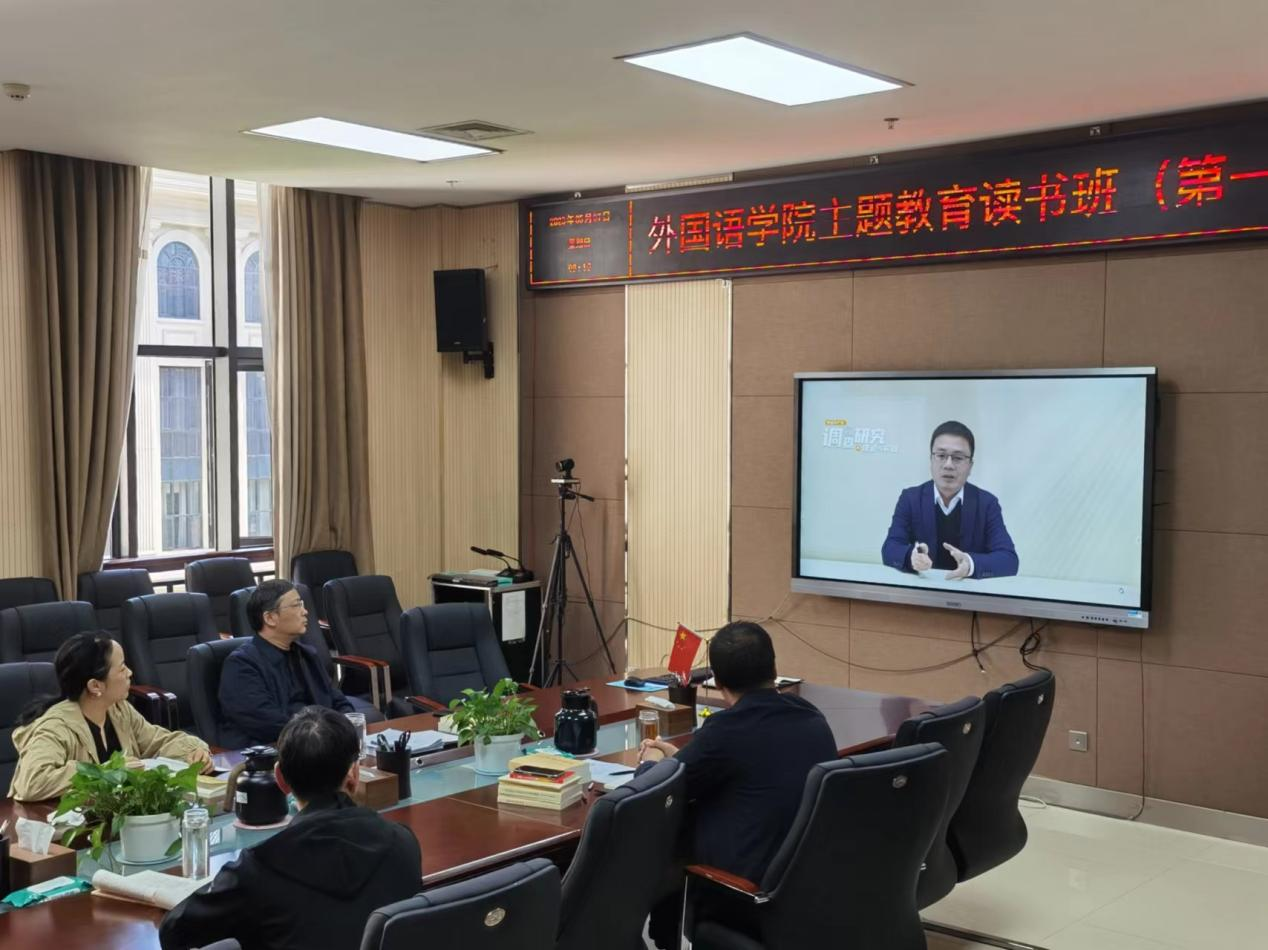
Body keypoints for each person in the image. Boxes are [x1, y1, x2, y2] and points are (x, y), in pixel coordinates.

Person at [638, 621, 837, 947]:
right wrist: (679, 759)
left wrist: (650, 763)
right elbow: (737, 764)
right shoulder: (811, 717)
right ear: (774, 669)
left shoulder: (726, 731)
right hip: (807, 894)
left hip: (745, 898)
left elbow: (653, 794)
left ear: (717, 681)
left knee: (670, 840)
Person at [159, 706, 422, 950]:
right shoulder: (403, 843)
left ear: (280, 779)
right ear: (354, 774)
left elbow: (173, 931)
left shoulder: (257, 869)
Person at [9, 632, 212, 801]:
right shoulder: (55, 726)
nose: (130, 672)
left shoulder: (118, 710)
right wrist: (105, 772)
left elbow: (158, 741)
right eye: (122, 668)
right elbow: (32, 781)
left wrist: (194, 751)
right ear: (95, 686)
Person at [217, 579, 356, 748]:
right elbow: (268, 724)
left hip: (320, 743)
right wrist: (326, 733)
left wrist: (347, 724)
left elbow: (338, 700)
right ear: (270, 618)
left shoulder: (306, 655)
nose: (305, 611)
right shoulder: (242, 665)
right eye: (297, 605)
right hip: (276, 750)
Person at [881, 420, 1019, 580]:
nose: (948, 465)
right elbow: (890, 548)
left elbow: (1009, 560)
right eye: (941, 456)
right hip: (921, 590)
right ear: (931, 460)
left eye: (958, 458)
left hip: (968, 592)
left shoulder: (986, 504)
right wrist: (911, 557)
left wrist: (970, 564)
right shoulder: (911, 499)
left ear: (970, 466)